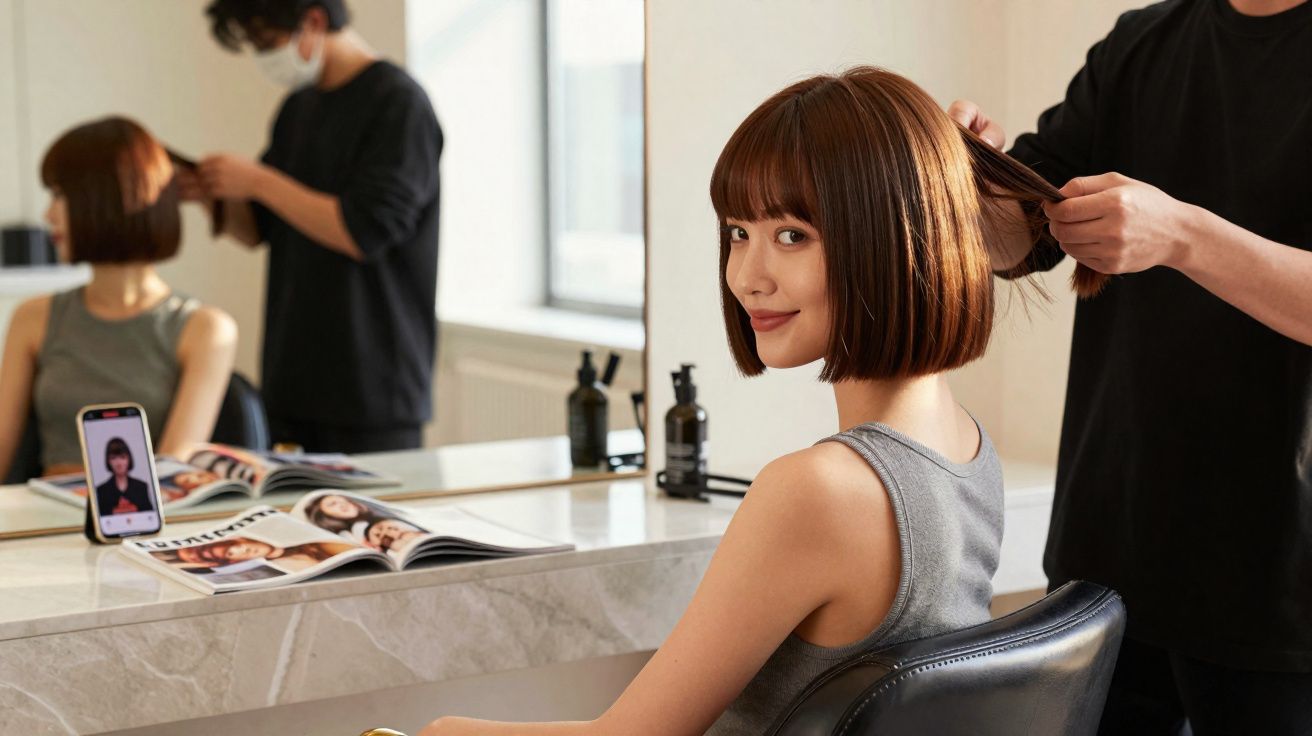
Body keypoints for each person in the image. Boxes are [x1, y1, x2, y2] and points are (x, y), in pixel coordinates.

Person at [417, 67, 1066, 735]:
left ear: (888, 234)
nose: (747, 278)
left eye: (791, 236)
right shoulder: (965, 446)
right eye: (737, 232)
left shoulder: (818, 490)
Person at [949, 1, 1312, 732]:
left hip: (1279, 586)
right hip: (1106, 565)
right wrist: (967, 185)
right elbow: (1017, 239)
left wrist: (1181, 234)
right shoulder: (1140, 44)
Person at [189, 0, 443, 454]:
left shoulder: (398, 104)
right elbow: (260, 231)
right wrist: (217, 196)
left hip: (373, 392)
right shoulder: (298, 107)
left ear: (314, 21)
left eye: (266, 41)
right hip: (293, 385)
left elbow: (362, 232)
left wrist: (259, 181)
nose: (262, 56)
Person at [0, 117, 238, 478]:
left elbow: (171, 472)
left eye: (60, 195)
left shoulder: (206, 329)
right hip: (42, 523)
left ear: (106, 198)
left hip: (146, 523)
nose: (48, 215)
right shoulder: (33, 317)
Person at [94, 438, 153, 515]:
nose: (118, 463)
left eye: (122, 457)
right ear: (108, 461)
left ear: (129, 459)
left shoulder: (141, 487)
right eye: (113, 458)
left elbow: (149, 517)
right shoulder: (101, 491)